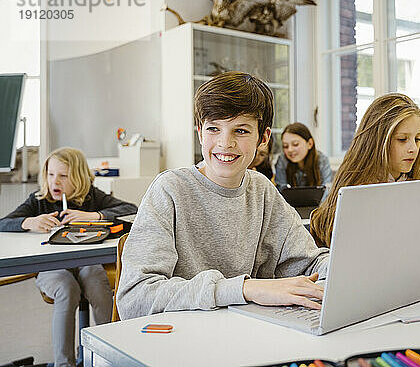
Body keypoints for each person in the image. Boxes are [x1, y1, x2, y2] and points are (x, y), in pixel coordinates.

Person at [116, 71, 329, 320]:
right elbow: (135, 298)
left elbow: (309, 263)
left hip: (245, 335)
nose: (225, 143)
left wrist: (344, 269)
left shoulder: (262, 190)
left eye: (241, 131)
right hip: (182, 340)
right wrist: (244, 289)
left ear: (264, 138)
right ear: (199, 132)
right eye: (214, 129)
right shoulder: (169, 190)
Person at [0, 147, 137, 367]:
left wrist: (94, 215)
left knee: (96, 282)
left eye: (63, 176)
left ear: (79, 178)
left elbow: (131, 209)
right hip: (52, 268)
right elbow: (3, 223)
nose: (56, 181)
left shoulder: (91, 197)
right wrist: (28, 222)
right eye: (51, 174)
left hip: (87, 264)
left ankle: (110, 356)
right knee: (66, 289)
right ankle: (65, 364)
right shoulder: (38, 201)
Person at [310, 93, 420, 262]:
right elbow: (370, 251)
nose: (414, 148)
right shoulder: (358, 192)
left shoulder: (415, 185)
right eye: (402, 139)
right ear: (377, 141)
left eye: (418, 139)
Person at [274, 122, 333, 198]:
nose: (290, 150)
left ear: (310, 144)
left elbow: (327, 190)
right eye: (285, 146)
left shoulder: (322, 160)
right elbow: (281, 192)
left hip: (318, 208)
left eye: (295, 144)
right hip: (289, 208)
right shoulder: (282, 160)